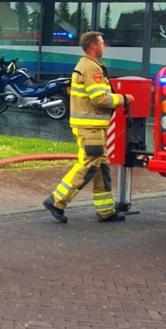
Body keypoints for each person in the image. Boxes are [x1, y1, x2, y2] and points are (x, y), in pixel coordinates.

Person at [43, 31, 133, 224]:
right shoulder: (91, 68)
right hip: (89, 127)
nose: (105, 46)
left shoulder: (88, 65)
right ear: (93, 46)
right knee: (89, 164)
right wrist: (123, 99)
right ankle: (57, 201)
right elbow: (99, 98)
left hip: (91, 126)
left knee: (101, 167)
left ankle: (106, 211)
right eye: (102, 43)